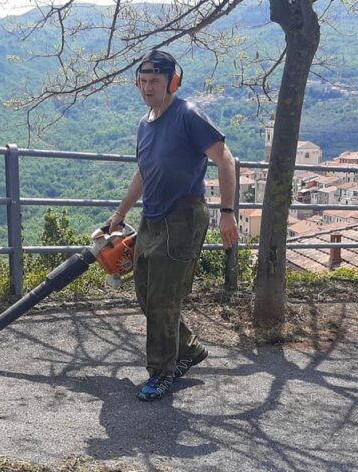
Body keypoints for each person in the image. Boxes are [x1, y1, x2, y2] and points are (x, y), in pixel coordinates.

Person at [107, 49, 239, 402]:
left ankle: (161, 372)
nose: (147, 87)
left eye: (155, 81)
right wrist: (120, 214)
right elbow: (143, 172)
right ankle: (190, 349)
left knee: (163, 300)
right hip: (151, 218)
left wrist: (228, 211)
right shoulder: (145, 123)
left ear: (173, 82)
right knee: (146, 295)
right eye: (142, 81)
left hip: (183, 217)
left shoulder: (188, 115)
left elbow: (225, 159)